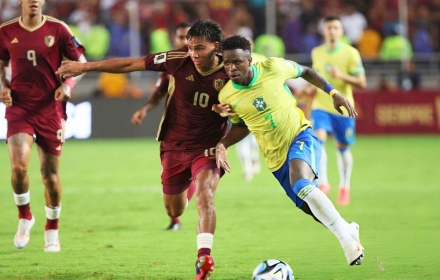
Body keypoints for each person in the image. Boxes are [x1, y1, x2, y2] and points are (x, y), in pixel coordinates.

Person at [56, 20, 228, 280]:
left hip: (208, 146)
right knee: (175, 210)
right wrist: (85, 67)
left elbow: (252, 98)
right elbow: (130, 64)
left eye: (199, 48)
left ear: (216, 47)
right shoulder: (176, 59)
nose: (193, 53)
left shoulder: (232, 70)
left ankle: (204, 258)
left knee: (206, 196)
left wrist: (232, 114)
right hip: (174, 144)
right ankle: (190, 182)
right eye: (190, 47)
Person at [214, 35, 364, 266]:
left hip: (300, 134)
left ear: (250, 59)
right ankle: (348, 228)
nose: (231, 68)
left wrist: (334, 93)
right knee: (309, 207)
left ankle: (346, 242)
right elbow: (243, 125)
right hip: (275, 159)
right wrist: (222, 144)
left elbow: (305, 71)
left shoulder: (273, 67)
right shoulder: (227, 95)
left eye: (237, 62)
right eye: (227, 63)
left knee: (302, 184)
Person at [0, 0, 86, 252]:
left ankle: (52, 228)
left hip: (51, 108)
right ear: (21, 1)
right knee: (18, 164)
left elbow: (81, 62)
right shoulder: (6, 31)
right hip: (19, 106)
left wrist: (67, 85)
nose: (34, 1)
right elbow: (1, 64)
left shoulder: (59, 29)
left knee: (49, 176)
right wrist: (3, 87)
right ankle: (25, 215)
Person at [131, 22, 193, 231]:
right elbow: (159, 93)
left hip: (201, 132)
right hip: (175, 131)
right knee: (170, 177)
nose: (184, 42)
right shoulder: (171, 64)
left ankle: (190, 222)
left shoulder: (207, 63)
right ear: (175, 39)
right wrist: (145, 109)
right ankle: (176, 217)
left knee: (200, 174)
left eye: (188, 37)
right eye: (181, 37)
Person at [302, 16, 367, 205]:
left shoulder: (351, 53)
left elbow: (362, 82)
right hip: (321, 105)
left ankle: (345, 186)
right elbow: (318, 79)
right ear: (323, 31)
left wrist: (342, 76)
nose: (331, 31)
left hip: (343, 109)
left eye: (335, 27)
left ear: (341, 31)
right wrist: (307, 89)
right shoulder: (317, 52)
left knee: (342, 148)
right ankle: (323, 182)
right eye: (328, 27)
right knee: (317, 141)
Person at [234, 36, 265, 182]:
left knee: (255, 137)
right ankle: (247, 167)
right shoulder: (232, 62)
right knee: (240, 136)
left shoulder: (261, 59)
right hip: (240, 103)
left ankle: (254, 158)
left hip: (259, 103)